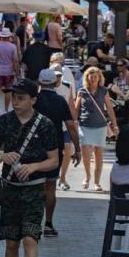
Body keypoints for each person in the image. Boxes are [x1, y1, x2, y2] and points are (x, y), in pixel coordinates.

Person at [0, 79, 59, 257]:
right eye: (13, 97)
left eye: (21, 98)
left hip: (34, 190)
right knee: (11, 243)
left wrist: (34, 166)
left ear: (33, 100)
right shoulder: (3, 121)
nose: (15, 102)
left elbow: (54, 160)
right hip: (10, 189)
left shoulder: (45, 124)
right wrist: (2, 156)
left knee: (30, 239)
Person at [33, 69, 80, 237]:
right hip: (55, 147)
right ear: (55, 83)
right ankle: (48, 224)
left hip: (34, 148)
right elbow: (70, 126)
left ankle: (34, 223)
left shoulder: (33, 100)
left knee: (35, 186)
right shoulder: (60, 101)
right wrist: (77, 148)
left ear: (39, 83)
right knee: (51, 186)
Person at [74, 67, 119, 192]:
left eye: (95, 76)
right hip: (84, 125)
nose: (93, 79)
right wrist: (73, 123)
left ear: (99, 78)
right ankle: (87, 176)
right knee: (86, 154)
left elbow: (109, 109)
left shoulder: (103, 91)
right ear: (87, 78)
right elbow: (76, 109)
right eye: (91, 76)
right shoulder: (81, 91)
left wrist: (115, 125)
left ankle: (97, 182)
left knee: (98, 154)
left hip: (100, 126)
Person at [0, 28, 20, 110]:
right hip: (9, 72)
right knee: (7, 91)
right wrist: (17, 72)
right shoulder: (13, 46)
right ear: (9, 36)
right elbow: (15, 61)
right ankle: (6, 109)